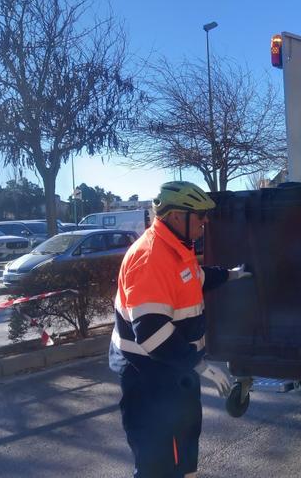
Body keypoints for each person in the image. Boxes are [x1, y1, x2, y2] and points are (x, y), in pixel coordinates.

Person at [109, 181, 253, 477]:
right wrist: (199, 365)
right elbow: (151, 334)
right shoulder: (150, 258)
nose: (205, 221)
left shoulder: (176, 249)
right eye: (200, 215)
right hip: (149, 378)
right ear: (177, 216)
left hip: (174, 371)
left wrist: (232, 275)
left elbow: (196, 278)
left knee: (184, 448)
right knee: (158, 461)